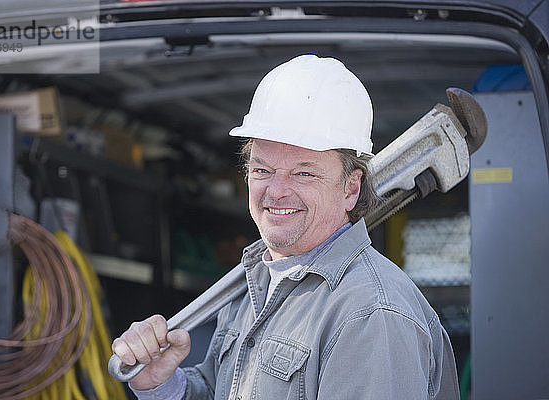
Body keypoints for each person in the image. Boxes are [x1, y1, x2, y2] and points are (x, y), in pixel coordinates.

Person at [111, 54, 460, 400]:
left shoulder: (371, 314)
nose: (275, 192)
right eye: (262, 170)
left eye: (303, 173)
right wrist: (164, 386)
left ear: (351, 188)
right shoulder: (252, 284)